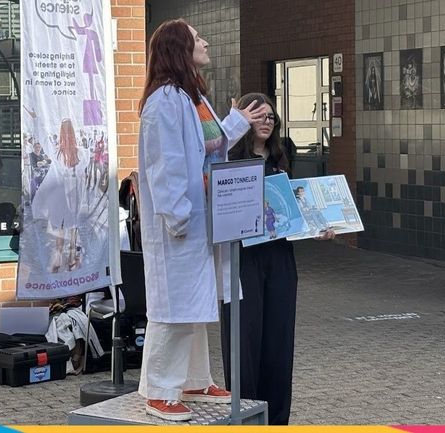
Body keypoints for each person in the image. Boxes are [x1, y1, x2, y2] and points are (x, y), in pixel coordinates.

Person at [136, 19, 266, 422]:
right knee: (172, 311)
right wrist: (177, 219)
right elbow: (167, 165)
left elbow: (210, 145)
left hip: (202, 220)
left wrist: (238, 121)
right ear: (179, 48)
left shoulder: (192, 96)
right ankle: (160, 390)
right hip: (182, 223)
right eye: (197, 39)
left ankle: (193, 379)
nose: (205, 42)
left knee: (197, 304)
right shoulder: (165, 101)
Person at [221, 93, 334, 425]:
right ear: (244, 120)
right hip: (243, 259)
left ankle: (276, 419)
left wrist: (319, 228)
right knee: (245, 340)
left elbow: (296, 212)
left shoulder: (281, 162)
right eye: (259, 116)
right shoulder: (228, 161)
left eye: (271, 117)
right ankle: (245, 416)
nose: (267, 122)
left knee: (278, 340)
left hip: (280, 258)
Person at [31, 118, 90, 273]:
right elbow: (84, 166)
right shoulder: (82, 153)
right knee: (73, 226)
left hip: (60, 192)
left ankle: (58, 256)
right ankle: (71, 257)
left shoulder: (57, 153)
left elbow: (43, 138)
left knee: (61, 226)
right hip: (75, 192)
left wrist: (36, 118)